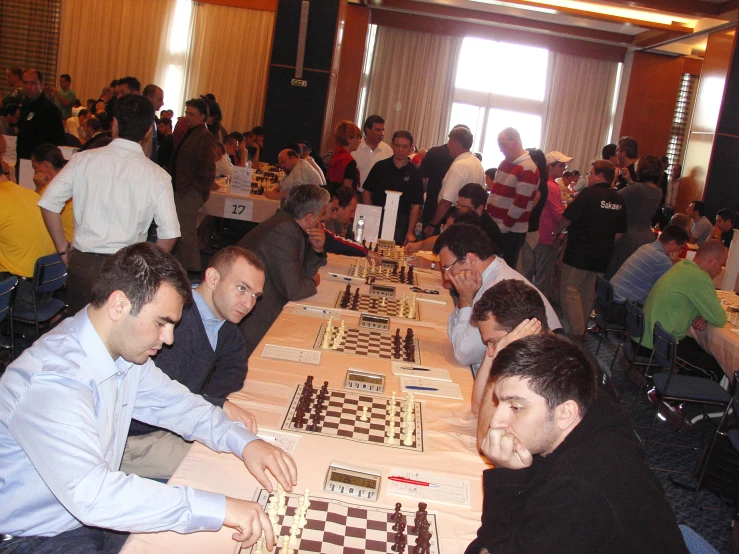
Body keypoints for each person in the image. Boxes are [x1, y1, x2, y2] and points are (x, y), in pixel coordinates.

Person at [0, 243, 296, 553]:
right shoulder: (54, 381)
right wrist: (220, 509)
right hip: (33, 537)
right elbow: (94, 495)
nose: (169, 338)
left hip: (81, 520)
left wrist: (243, 441)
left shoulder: (121, 354)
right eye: (161, 323)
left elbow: (178, 405)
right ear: (119, 306)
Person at [466, 333, 688, 554]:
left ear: (565, 413)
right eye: (499, 402)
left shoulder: (578, 487)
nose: (496, 421)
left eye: (516, 407)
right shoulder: (584, 413)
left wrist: (505, 475)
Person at [123, 246, 266, 479]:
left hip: (176, 421)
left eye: (255, 296)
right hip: (138, 439)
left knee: (249, 447)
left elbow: (235, 368)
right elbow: (157, 401)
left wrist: (209, 400)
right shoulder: (177, 322)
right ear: (212, 278)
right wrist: (212, 403)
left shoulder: (223, 320)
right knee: (234, 470)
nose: (248, 304)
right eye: (242, 289)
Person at [38, 94, 181, 315]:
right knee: (120, 332)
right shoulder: (158, 176)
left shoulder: (83, 160)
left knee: (82, 327)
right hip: (127, 267)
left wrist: (63, 248)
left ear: (113, 124)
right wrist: (146, 267)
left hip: (84, 263)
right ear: (147, 132)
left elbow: (48, 204)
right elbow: (169, 235)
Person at [432, 223, 560, 369]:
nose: (447, 276)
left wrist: (466, 300)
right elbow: (453, 334)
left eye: (448, 268)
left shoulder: (497, 288)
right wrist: (464, 300)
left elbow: (464, 354)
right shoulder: (486, 277)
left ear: (471, 259)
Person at [237, 184, 330, 357]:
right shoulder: (285, 230)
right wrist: (313, 282)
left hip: (265, 303)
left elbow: (301, 274)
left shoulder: (287, 223)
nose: (322, 221)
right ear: (310, 218)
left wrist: (316, 250)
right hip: (255, 317)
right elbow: (295, 290)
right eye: (322, 215)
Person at [637, 240, 728, 383]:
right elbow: (719, 318)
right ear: (712, 260)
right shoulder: (699, 278)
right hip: (658, 346)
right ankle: (675, 398)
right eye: (721, 264)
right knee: (715, 367)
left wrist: (702, 315)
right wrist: (707, 314)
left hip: (646, 337)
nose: (721, 269)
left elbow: (688, 301)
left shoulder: (682, 266)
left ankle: (671, 388)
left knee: (699, 349)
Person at [553, 160, 626, 339]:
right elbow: (619, 233)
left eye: (591, 173)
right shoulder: (619, 199)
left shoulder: (589, 194)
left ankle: (576, 331)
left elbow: (567, 218)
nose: (589, 177)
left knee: (570, 289)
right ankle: (581, 328)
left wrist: (557, 232)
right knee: (587, 293)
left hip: (579, 251)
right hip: (603, 255)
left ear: (600, 175)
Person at [170, 98, 216, 275]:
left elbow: (207, 168)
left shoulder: (204, 136)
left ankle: (193, 269)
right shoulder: (192, 132)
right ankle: (183, 267)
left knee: (186, 232)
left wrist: (197, 190)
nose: (187, 117)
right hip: (183, 189)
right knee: (183, 230)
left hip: (189, 191)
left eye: (192, 114)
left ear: (202, 116)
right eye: (187, 113)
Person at [486, 127, 539, 268]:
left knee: (503, 269)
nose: (500, 149)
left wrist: (503, 227)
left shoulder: (527, 168)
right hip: (495, 225)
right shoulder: (505, 163)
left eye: (502, 145)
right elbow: (494, 192)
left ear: (514, 142)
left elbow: (520, 204)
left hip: (511, 231)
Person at [605, 155, 664, 279]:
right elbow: (641, 193)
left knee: (617, 272)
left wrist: (613, 181)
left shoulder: (636, 189)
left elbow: (612, 198)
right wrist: (630, 181)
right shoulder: (658, 191)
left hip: (629, 236)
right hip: (647, 235)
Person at [362, 130, 424, 245]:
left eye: (404, 147)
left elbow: (415, 205)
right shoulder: (380, 167)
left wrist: (410, 232)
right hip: (378, 217)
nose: (400, 150)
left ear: (411, 148)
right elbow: (367, 191)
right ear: (392, 145)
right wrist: (370, 216)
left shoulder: (415, 173)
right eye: (397, 145)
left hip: (401, 222)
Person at [424, 126, 485, 238]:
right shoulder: (476, 162)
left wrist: (433, 224)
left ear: (456, 143)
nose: (448, 146)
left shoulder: (459, 166)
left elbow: (446, 202)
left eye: (449, 142)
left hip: (453, 219)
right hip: (469, 219)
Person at [610, 223, 689, 309]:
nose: (680, 252)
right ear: (673, 244)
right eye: (681, 248)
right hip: (622, 307)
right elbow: (671, 289)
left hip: (612, 296)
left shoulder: (647, 247)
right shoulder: (663, 260)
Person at [534, 151, 567, 302]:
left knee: (537, 275)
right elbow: (558, 214)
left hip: (540, 234)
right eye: (561, 165)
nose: (564, 168)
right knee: (543, 279)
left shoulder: (543, 183)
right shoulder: (552, 187)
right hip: (548, 236)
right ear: (550, 166)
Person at [16, 69, 65, 161]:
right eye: (25, 83)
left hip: (42, 163)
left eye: (33, 83)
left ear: (41, 85)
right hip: (22, 160)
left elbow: (58, 142)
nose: (28, 87)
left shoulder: (51, 110)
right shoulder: (24, 107)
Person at [322, 187, 381, 261]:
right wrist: (364, 251)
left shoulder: (338, 223)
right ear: (339, 207)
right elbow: (335, 244)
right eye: (351, 211)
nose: (353, 216)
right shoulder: (323, 223)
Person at [516, 148, 549, 281]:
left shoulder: (539, 182)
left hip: (528, 231)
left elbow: (528, 206)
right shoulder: (538, 180)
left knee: (522, 272)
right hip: (527, 230)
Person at [32, 143, 74, 243]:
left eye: (35, 167)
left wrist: (38, 188)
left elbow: (33, 218)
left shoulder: (49, 189)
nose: (35, 172)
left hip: (60, 245)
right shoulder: (73, 178)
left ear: (45, 165)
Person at [351, 114, 392, 192]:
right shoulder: (356, 148)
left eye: (383, 130)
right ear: (367, 130)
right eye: (378, 130)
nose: (381, 133)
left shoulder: (387, 150)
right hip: (357, 194)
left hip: (379, 195)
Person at [327, 120, 362, 191]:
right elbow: (346, 191)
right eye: (358, 137)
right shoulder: (349, 161)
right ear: (349, 139)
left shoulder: (335, 156)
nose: (360, 141)